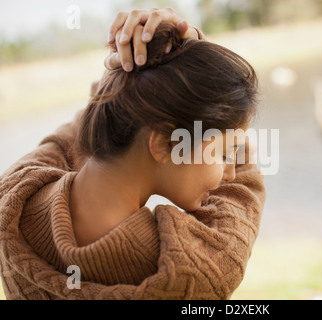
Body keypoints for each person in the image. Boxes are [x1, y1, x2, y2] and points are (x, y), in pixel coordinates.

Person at [0, 8, 265, 300]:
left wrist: (129, 77)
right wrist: (192, 59)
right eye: (225, 154)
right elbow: (241, 193)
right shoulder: (199, 267)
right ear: (165, 144)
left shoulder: (13, 200)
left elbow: (71, 136)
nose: (229, 171)